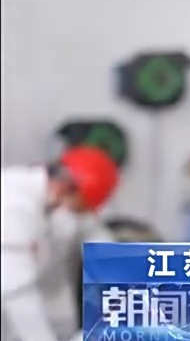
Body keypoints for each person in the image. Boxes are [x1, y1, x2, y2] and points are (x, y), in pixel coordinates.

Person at [1, 146, 119, 341]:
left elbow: (92, 231)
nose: (78, 213)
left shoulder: (58, 196)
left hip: (51, 299)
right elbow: (18, 296)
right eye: (80, 207)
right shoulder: (11, 205)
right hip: (13, 310)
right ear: (65, 188)